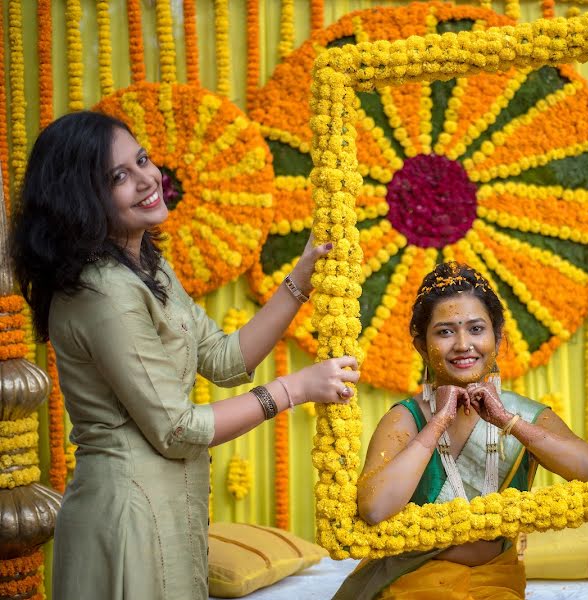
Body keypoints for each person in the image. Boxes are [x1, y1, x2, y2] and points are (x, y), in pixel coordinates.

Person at [10, 111, 361, 600]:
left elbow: (223, 358)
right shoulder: (102, 292)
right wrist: (292, 390)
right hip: (127, 515)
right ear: (80, 201)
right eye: (119, 177)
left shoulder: (145, 265)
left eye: (143, 160)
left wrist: (301, 277)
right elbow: (176, 430)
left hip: (170, 505)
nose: (147, 179)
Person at [333, 261, 588, 600]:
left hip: (497, 582)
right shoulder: (407, 419)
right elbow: (375, 509)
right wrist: (437, 424)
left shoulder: (522, 414)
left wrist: (508, 421)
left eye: (476, 329)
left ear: (498, 335)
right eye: (445, 331)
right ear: (422, 345)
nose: (463, 344)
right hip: (412, 583)